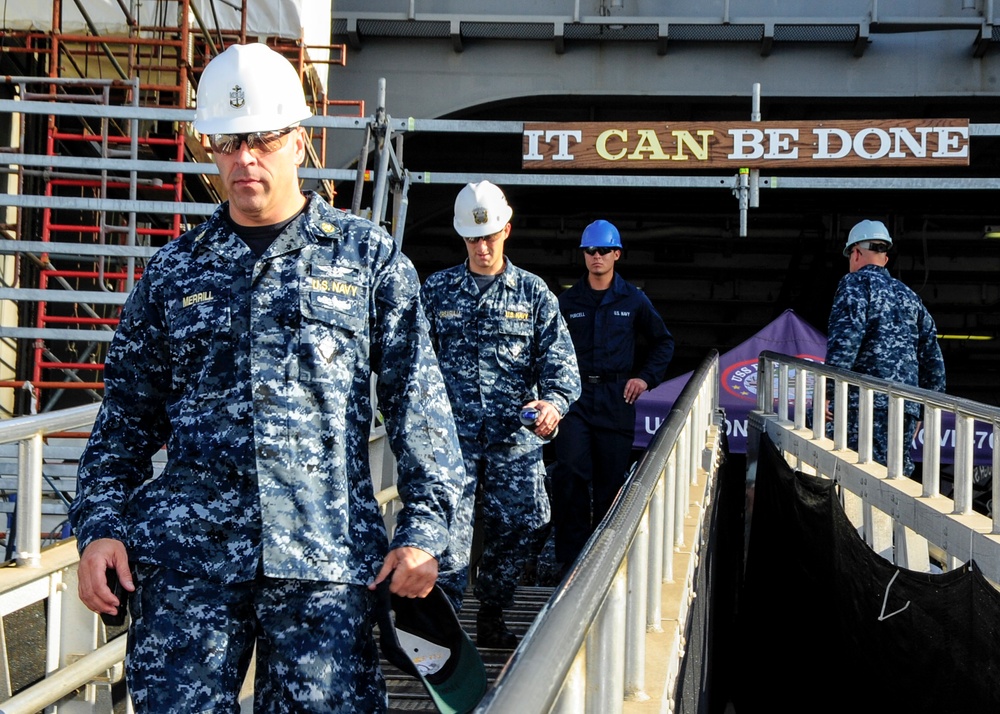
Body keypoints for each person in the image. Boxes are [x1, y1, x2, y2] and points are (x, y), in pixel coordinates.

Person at [68, 42, 464, 713]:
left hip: (326, 568)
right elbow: (125, 420)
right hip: (189, 568)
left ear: (299, 140)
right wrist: (99, 525)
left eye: (263, 140)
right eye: (226, 143)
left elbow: (419, 406)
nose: (244, 160)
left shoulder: (365, 260)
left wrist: (426, 531)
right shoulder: (173, 273)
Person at [420, 180, 581, 648]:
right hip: (453, 438)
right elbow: (414, 362)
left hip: (515, 439)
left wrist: (552, 403)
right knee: (448, 535)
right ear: (461, 237)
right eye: (473, 239)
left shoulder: (534, 295)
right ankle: (444, 631)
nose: (483, 246)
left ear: (506, 230)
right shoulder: (437, 291)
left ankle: (490, 611)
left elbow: (561, 364)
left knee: (525, 522)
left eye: (490, 236)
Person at [551, 219, 675, 569]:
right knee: (570, 474)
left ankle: (603, 564)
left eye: (603, 250)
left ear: (616, 254)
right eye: (590, 251)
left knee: (610, 484)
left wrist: (645, 379)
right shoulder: (567, 301)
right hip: (574, 398)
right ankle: (569, 566)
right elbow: (547, 348)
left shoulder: (633, 299)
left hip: (616, 399)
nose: (596, 257)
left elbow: (663, 342)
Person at [826, 219, 946, 475]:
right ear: (885, 259)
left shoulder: (854, 284)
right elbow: (933, 360)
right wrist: (923, 410)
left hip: (862, 404)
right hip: (905, 407)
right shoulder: (910, 296)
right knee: (893, 478)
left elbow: (845, 343)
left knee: (856, 478)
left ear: (855, 253)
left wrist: (829, 393)